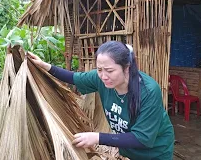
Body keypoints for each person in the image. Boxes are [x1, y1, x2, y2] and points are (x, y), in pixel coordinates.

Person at [29, 41, 175, 160]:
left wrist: (97, 137)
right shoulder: (101, 79)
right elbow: (73, 78)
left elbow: (142, 139)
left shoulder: (148, 91)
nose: (104, 76)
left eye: (110, 71)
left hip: (155, 152)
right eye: (99, 70)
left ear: (126, 68)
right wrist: (45, 66)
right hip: (129, 153)